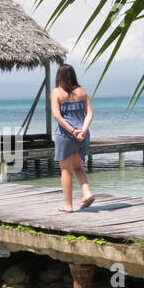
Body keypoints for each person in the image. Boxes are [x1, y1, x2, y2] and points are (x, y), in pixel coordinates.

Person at [50, 63, 95, 211]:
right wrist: (82, 130)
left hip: (65, 135)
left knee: (65, 170)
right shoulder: (82, 92)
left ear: (59, 76)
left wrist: (72, 130)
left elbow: (57, 116)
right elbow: (89, 114)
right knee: (77, 166)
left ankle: (68, 205)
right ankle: (87, 192)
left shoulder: (56, 92)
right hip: (82, 135)